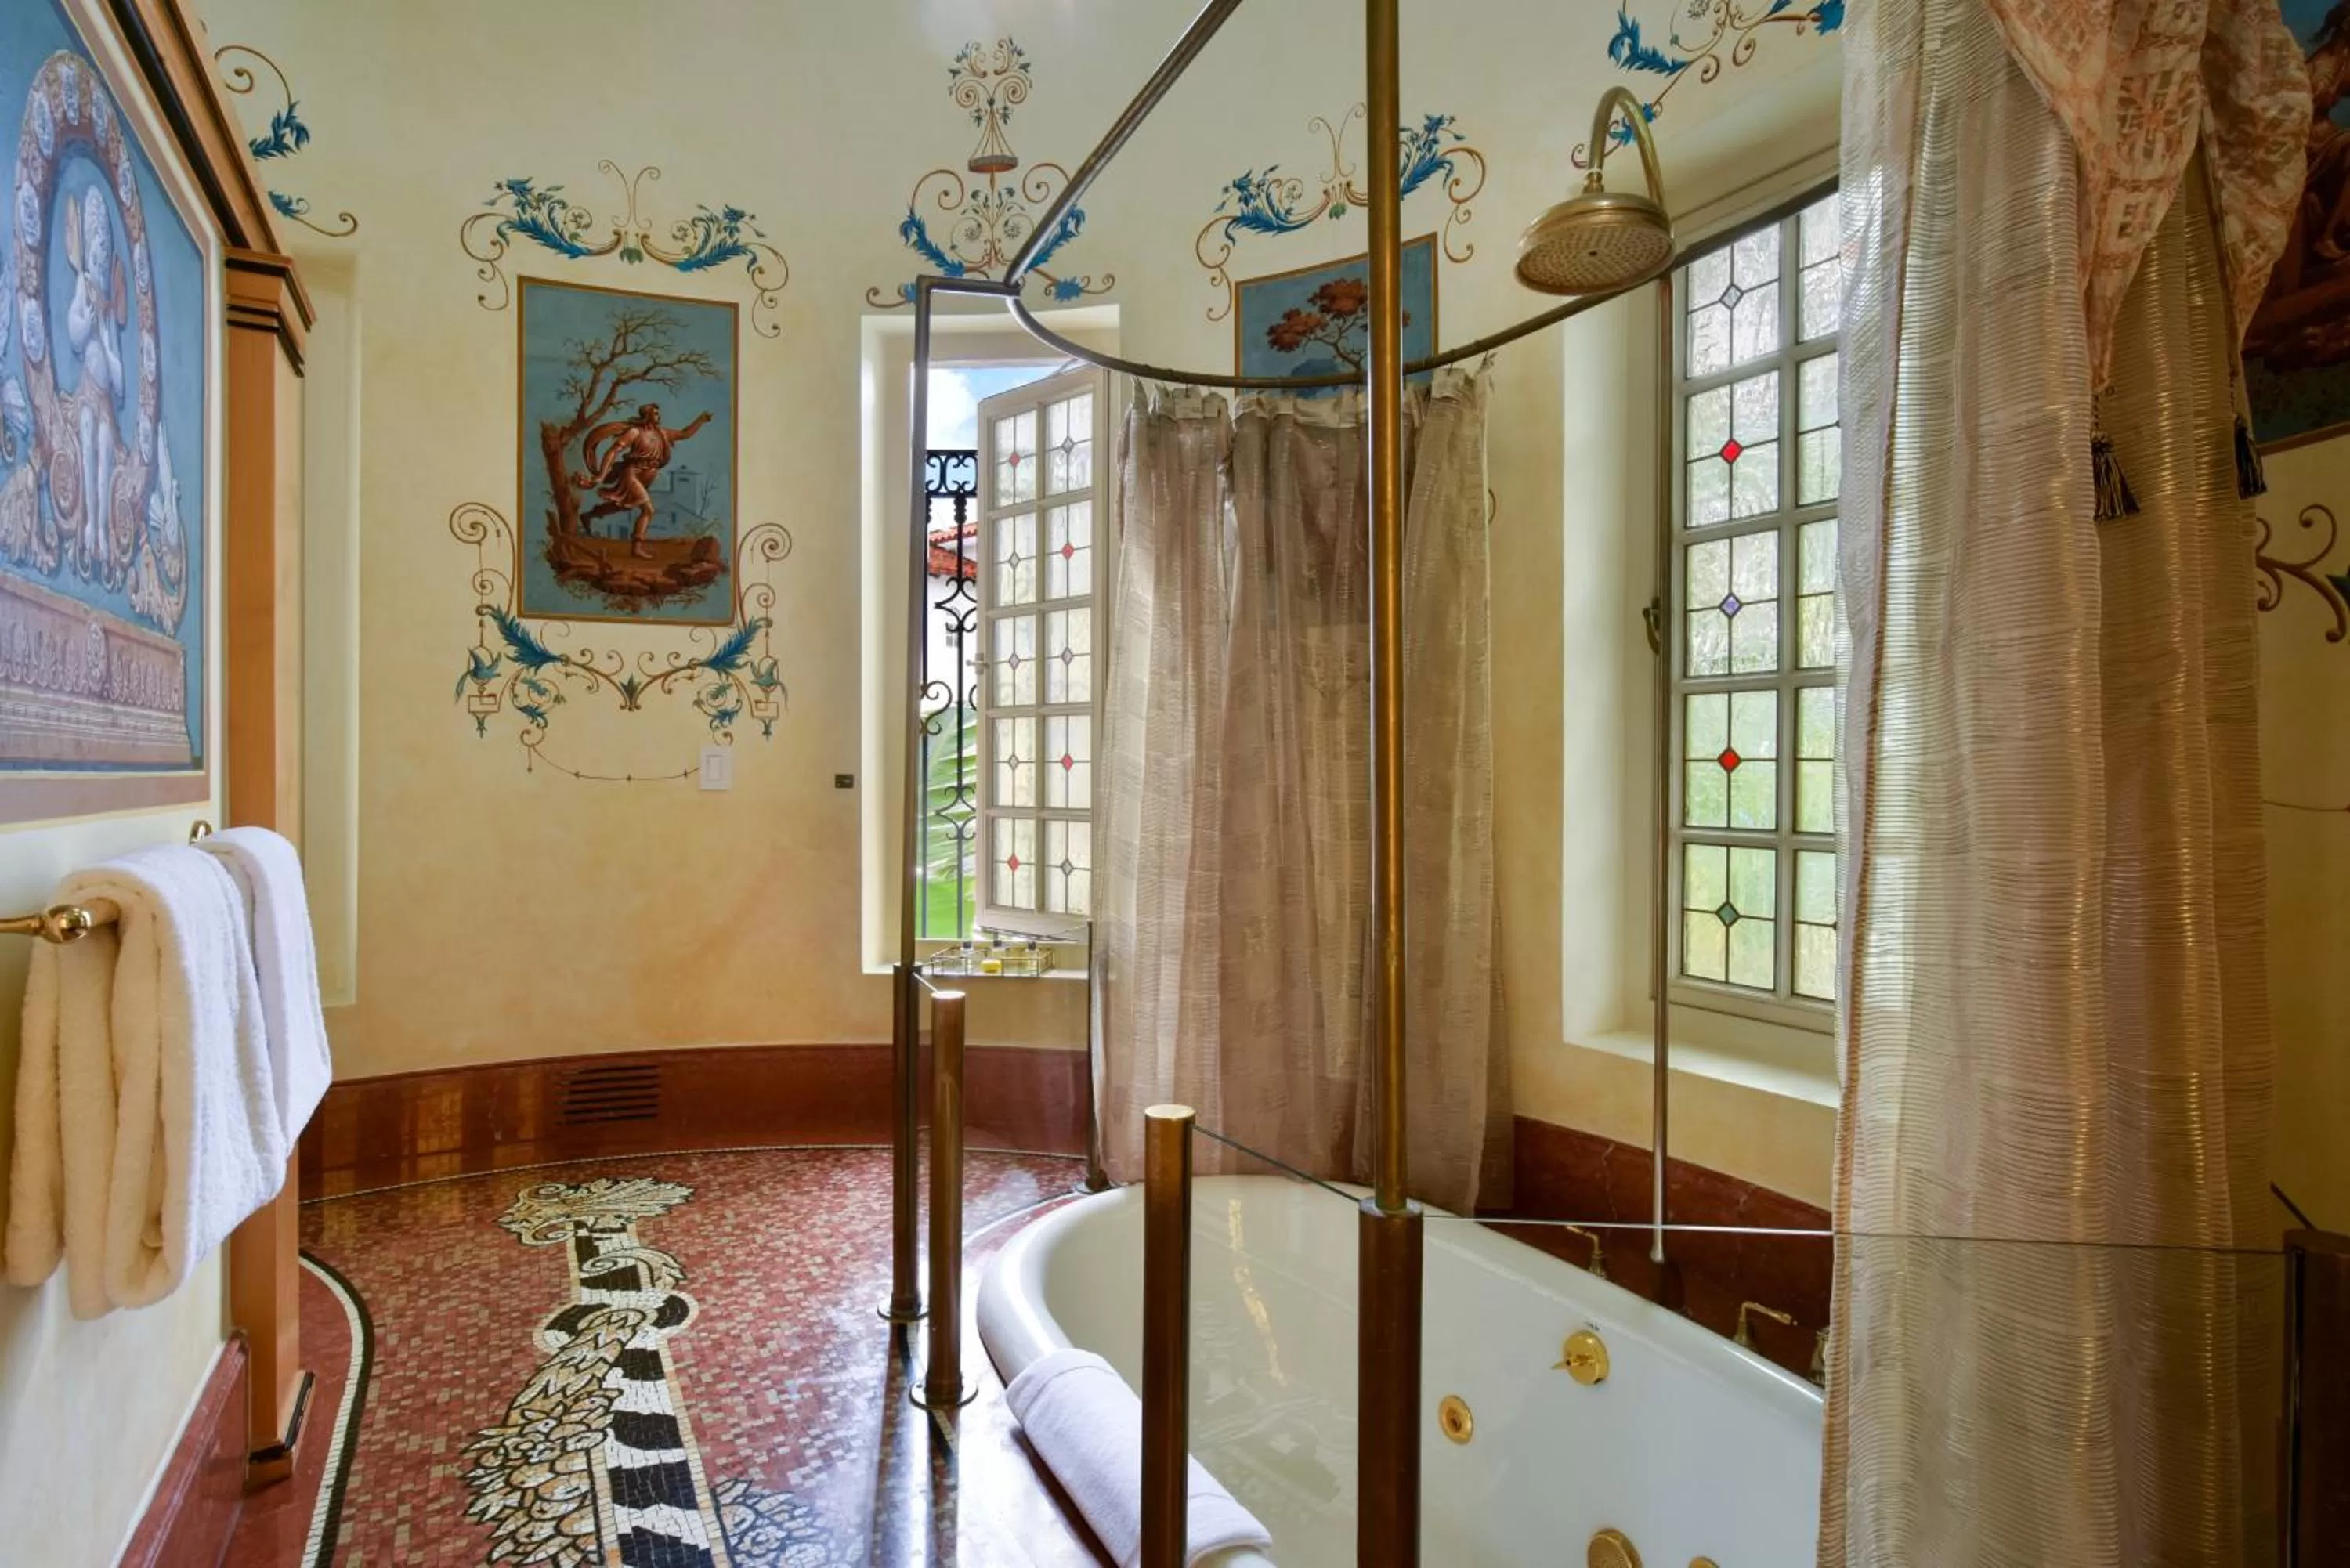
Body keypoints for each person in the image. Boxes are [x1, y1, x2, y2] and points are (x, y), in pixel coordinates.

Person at [65, 186, 125, 578]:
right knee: (86, 443)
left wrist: (105, 334)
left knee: (105, 452)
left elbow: (120, 383)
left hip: (105, 397)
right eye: (97, 238)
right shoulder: (83, 287)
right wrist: (87, 320)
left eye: (104, 240)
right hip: (87, 389)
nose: (100, 247)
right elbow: (73, 332)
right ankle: (88, 525)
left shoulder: (106, 304)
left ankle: (102, 530)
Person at [572, 403, 711, 558]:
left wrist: (701, 420)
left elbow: (685, 434)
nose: (659, 415)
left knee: (622, 506)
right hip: (633, 473)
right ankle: (637, 547)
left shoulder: (662, 434)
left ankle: (589, 515)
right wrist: (600, 475)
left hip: (649, 475)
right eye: (655, 413)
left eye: (659, 412)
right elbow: (613, 451)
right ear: (646, 415)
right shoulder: (634, 432)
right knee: (648, 510)